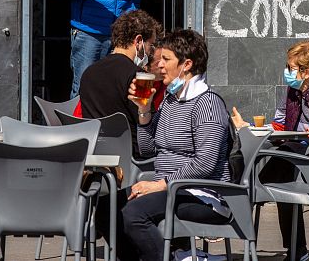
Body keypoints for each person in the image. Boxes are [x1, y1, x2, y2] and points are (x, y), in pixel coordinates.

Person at [96, 29, 232, 261]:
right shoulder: (170, 100)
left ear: (186, 64)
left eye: (166, 59)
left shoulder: (207, 104)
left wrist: (160, 185)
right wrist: (144, 110)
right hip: (169, 188)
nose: (158, 65)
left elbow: (205, 163)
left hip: (201, 193)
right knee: (105, 209)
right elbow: (149, 150)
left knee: (133, 213)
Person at [233, 40, 309, 261]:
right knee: (277, 164)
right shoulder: (293, 93)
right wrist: (248, 127)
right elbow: (279, 125)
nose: (286, 72)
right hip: (296, 157)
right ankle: (297, 251)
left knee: (276, 171)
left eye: (290, 68)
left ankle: (241, 205)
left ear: (306, 72)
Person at [78, 9, 161, 157]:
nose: (151, 52)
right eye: (151, 45)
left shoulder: (88, 73)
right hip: (134, 159)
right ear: (138, 41)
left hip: (95, 156)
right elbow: (150, 128)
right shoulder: (139, 77)